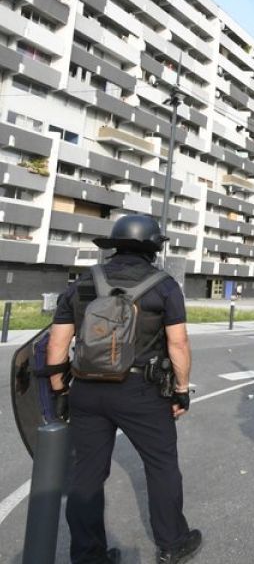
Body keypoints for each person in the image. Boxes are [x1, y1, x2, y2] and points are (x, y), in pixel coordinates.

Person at [46, 214, 202, 564]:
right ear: (152, 248)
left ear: (115, 245)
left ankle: (88, 557)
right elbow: (178, 344)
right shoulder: (164, 286)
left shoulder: (84, 283)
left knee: (86, 474)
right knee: (161, 465)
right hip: (141, 391)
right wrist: (181, 390)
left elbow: (57, 345)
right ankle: (172, 543)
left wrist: (60, 393)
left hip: (86, 389)